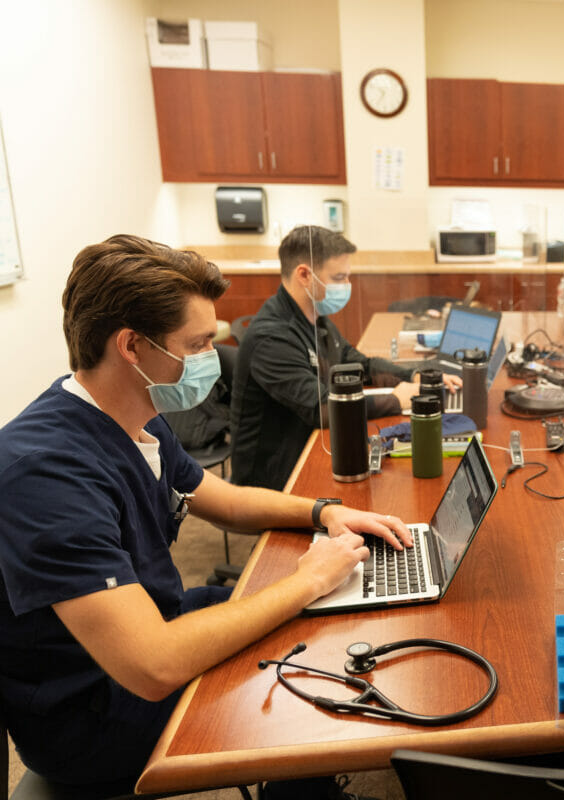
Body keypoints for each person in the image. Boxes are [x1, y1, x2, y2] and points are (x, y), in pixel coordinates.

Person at [0, 235, 413, 788]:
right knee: (303, 682)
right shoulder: (44, 474)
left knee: (316, 620)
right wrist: (304, 582)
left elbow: (226, 500)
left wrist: (324, 513)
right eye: (195, 345)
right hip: (93, 714)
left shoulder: (134, 415)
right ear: (132, 346)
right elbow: (155, 666)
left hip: (156, 624)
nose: (209, 360)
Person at [231, 225, 458, 490]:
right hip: (275, 477)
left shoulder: (314, 318)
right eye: (339, 277)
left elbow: (359, 364)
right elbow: (323, 410)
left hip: (313, 446)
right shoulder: (271, 337)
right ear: (304, 274)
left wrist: (413, 375)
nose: (346, 286)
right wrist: (395, 400)